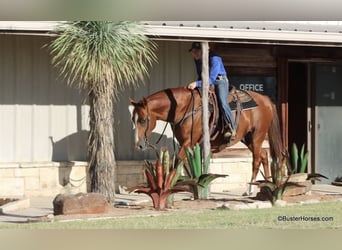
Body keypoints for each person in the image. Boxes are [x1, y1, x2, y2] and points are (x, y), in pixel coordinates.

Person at [186, 42, 236, 139]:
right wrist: (197, 83)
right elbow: (201, 74)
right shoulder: (197, 59)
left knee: (222, 102)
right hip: (206, 81)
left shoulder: (215, 58)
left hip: (219, 81)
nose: (194, 54)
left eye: (196, 52)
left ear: (204, 51)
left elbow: (212, 79)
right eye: (193, 52)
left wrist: (197, 83)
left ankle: (231, 127)